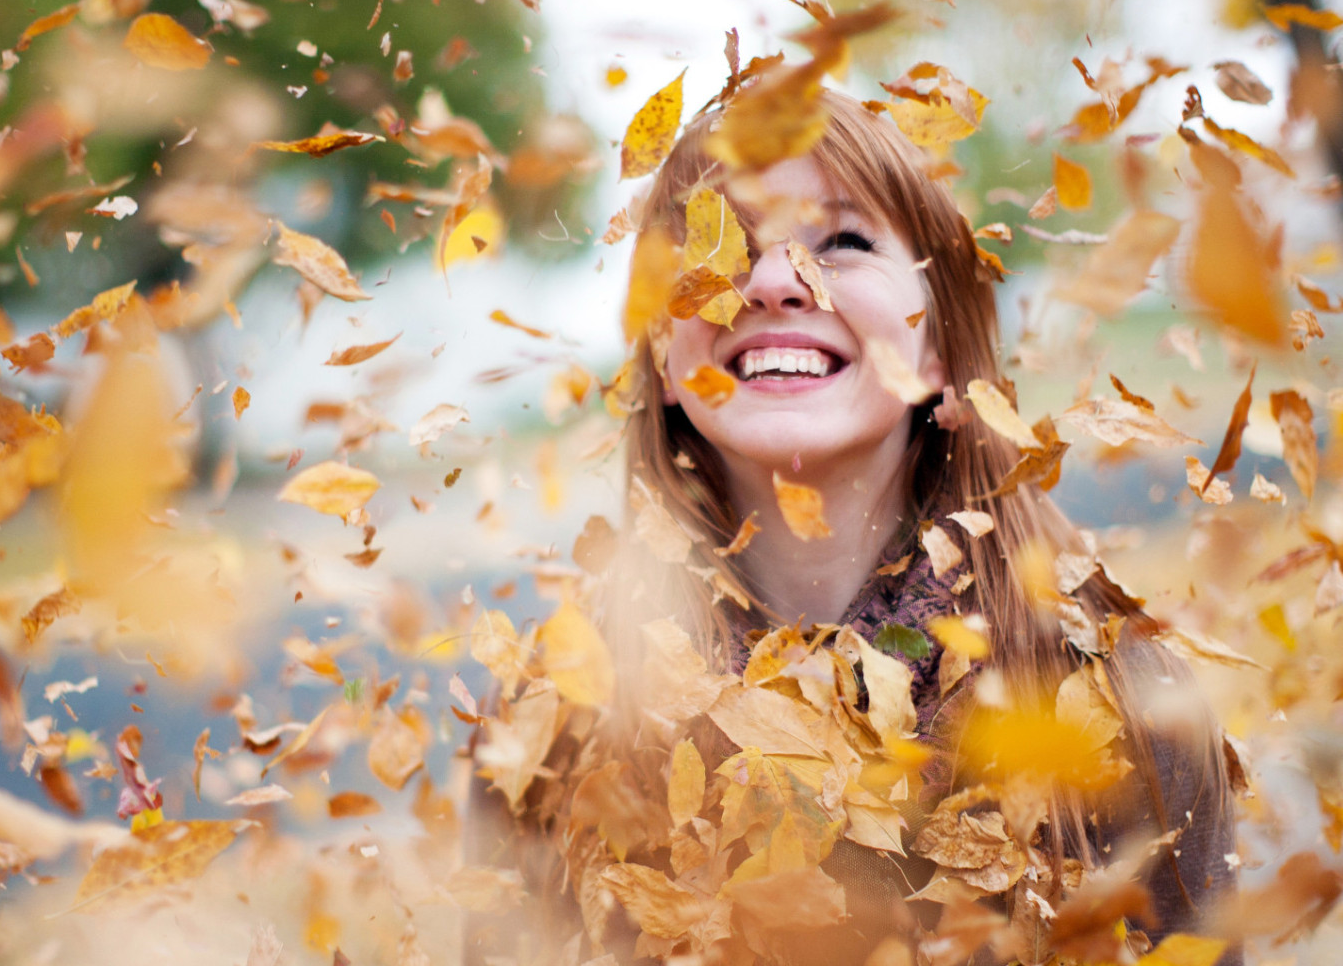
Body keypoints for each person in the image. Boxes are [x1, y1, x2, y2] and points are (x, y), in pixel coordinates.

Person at [466, 89, 1238, 966]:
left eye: (841, 242)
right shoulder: (555, 712)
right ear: (664, 360)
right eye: (720, 245)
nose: (770, 280)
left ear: (940, 344)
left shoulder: (1119, 695)